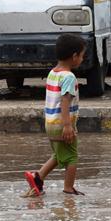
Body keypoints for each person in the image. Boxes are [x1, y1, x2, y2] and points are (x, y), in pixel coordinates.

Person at [24, 34, 86, 197]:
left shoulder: (53, 73)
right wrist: (67, 126)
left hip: (50, 123)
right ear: (74, 56)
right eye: (82, 55)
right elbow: (65, 101)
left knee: (59, 155)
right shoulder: (68, 77)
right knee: (72, 156)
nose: (82, 59)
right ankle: (68, 187)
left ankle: (38, 177)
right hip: (62, 124)